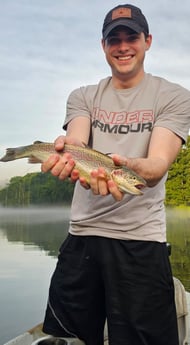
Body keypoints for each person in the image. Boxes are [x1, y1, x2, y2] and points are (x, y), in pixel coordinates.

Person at [41, 4, 190, 345]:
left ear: (147, 41)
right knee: (69, 339)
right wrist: (66, 152)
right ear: (104, 46)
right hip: (82, 238)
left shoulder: (175, 97)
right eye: (114, 40)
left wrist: (131, 167)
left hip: (142, 242)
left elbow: (155, 167)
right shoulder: (83, 96)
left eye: (131, 37)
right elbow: (77, 139)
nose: (123, 46)